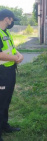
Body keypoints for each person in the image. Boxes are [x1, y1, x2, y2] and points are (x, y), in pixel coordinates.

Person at [0, 9, 24, 141]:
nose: (12, 22)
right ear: (6, 19)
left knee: (6, 100)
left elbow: (12, 48)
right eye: (12, 19)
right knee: (0, 101)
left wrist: (19, 55)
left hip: (9, 71)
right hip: (1, 72)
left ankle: (4, 126)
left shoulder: (6, 32)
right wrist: (15, 58)